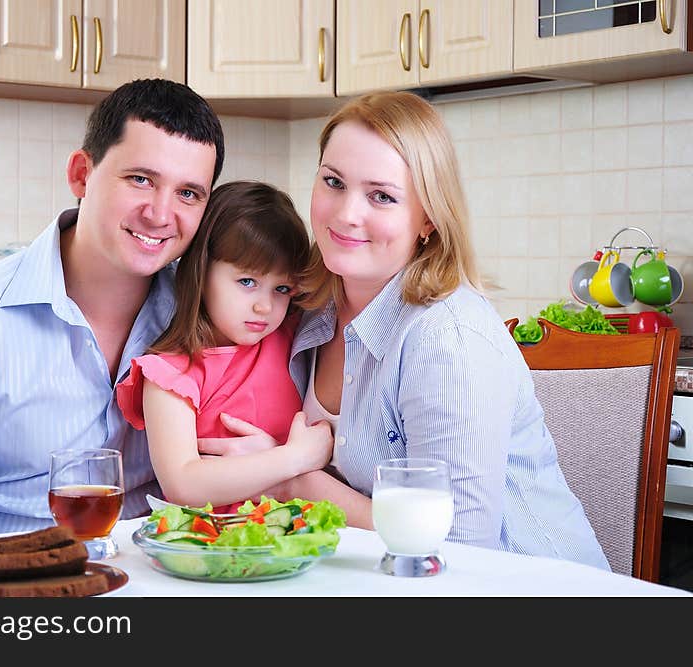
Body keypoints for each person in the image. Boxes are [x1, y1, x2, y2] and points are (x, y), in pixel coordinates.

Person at [203, 91, 610, 570]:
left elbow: (455, 546)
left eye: (382, 196)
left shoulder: (447, 340)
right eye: (333, 182)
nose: (346, 213)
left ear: (429, 219)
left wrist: (289, 479)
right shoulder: (308, 305)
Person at [0, 78, 225, 542]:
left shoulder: (211, 323)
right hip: (15, 594)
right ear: (81, 175)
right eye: (141, 179)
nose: (161, 213)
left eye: (188, 193)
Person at [116, 181, 333, 511]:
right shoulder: (170, 373)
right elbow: (183, 483)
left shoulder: (289, 336)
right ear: (201, 272)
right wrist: (294, 458)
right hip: (207, 545)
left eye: (281, 288)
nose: (265, 306)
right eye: (247, 282)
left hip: (293, 539)